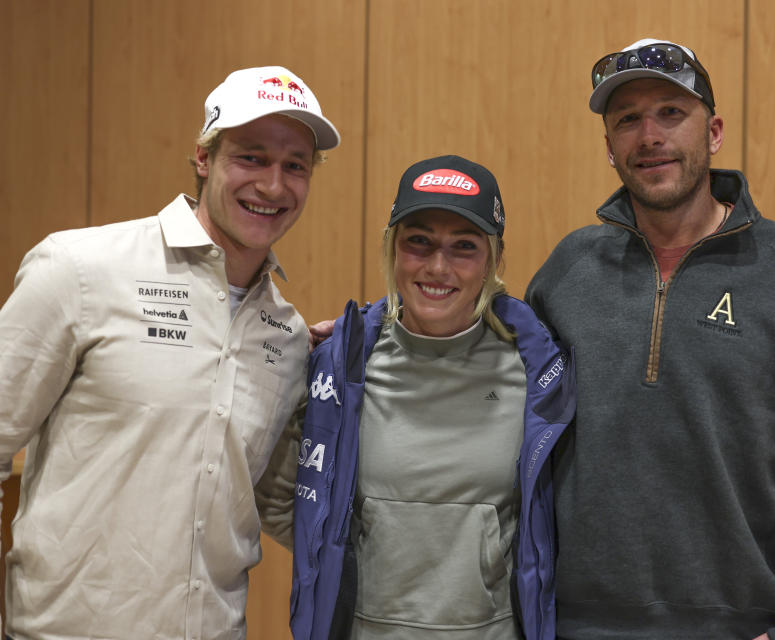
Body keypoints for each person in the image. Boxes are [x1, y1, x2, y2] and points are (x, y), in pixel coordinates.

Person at [525, 39, 775, 640]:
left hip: (744, 627)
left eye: (670, 112)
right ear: (609, 147)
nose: (649, 136)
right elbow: (489, 388)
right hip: (574, 625)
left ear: (713, 132)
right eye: (627, 120)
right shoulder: (567, 272)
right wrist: (365, 335)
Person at [0, 65, 339, 639]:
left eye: (294, 166)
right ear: (205, 157)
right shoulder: (81, 270)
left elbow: (285, 507)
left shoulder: (286, 336)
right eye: (252, 157)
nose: (274, 186)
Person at [284, 155, 576, 639]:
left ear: (494, 261)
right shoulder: (341, 366)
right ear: (392, 249)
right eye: (418, 242)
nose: (438, 267)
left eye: (464, 247)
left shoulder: (537, 375)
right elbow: (287, 494)